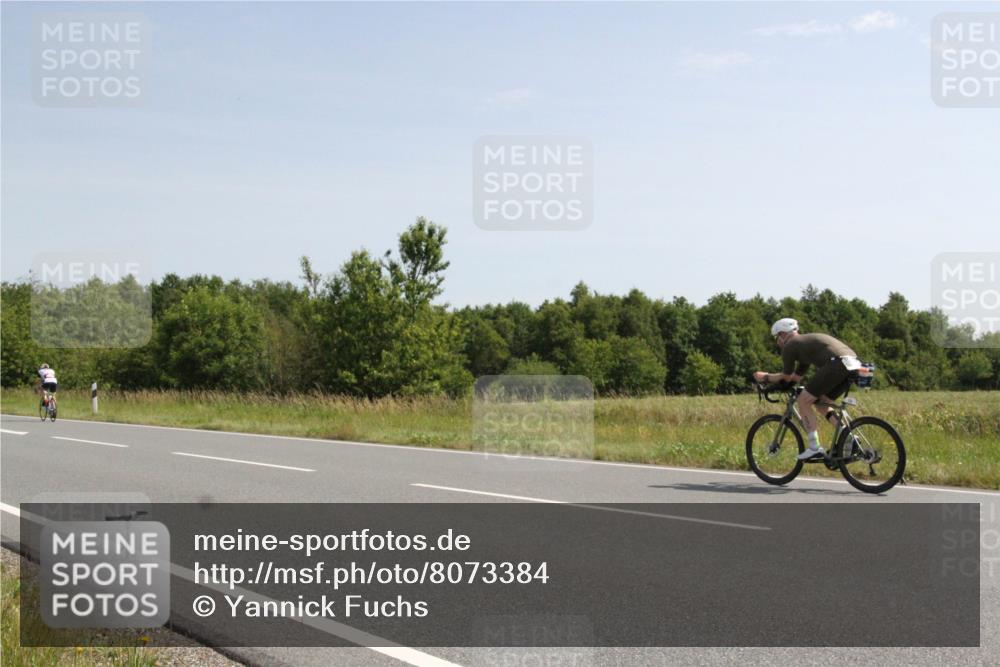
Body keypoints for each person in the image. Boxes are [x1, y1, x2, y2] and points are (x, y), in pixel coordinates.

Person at [753, 318, 861, 460]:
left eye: (777, 337)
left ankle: (814, 447)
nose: (777, 341)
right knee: (822, 403)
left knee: (803, 400)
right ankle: (848, 437)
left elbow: (786, 375)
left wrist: (765, 377)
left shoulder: (790, 346)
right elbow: (794, 378)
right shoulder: (804, 346)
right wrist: (780, 385)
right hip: (854, 364)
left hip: (837, 364)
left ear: (783, 334)